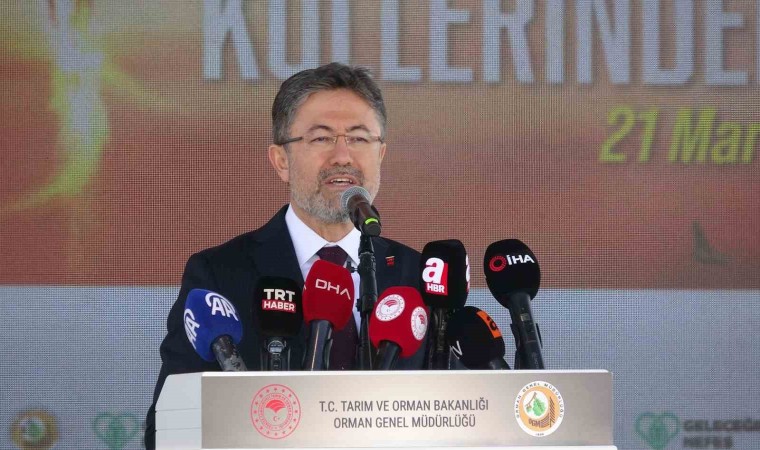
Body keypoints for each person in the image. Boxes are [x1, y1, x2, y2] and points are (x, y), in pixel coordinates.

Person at [144, 63, 423, 449]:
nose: (343, 156)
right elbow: (170, 428)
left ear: (381, 155)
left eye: (360, 139)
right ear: (281, 161)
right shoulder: (220, 274)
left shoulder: (417, 276)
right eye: (321, 138)